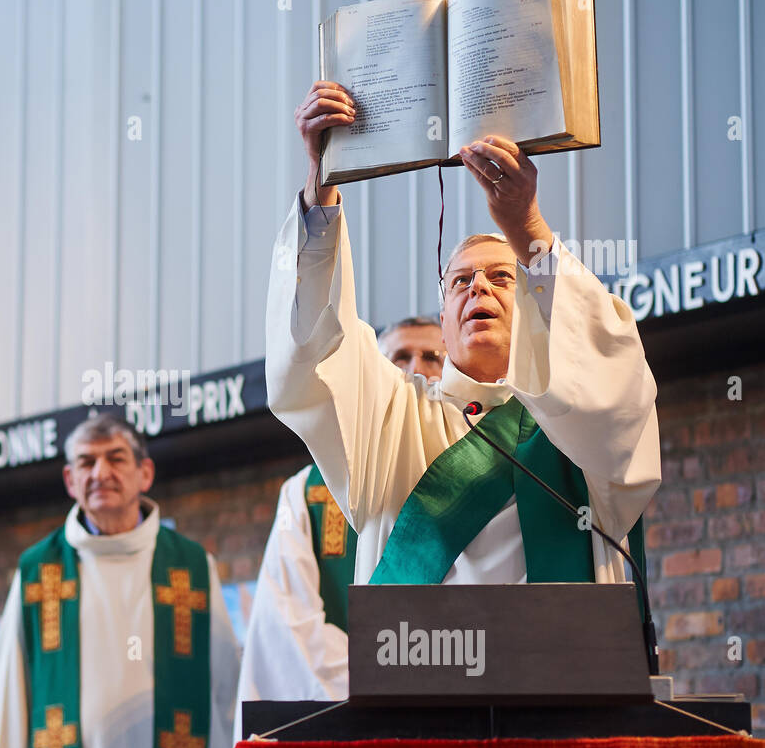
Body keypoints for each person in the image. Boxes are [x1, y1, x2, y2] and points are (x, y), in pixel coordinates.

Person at [266, 80, 659, 600]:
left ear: (537, 308)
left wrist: (527, 226)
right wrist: (322, 184)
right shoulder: (392, 418)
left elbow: (618, 393)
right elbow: (313, 354)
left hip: (561, 673)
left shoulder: (574, 422)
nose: (478, 287)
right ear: (444, 322)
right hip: (418, 670)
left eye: (501, 278)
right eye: (459, 281)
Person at [0, 414, 240, 748]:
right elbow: (7, 700)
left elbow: (225, 690)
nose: (100, 473)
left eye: (115, 459)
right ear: (70, 481)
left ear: (145, 473)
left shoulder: (192, 567)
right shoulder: (39, 572)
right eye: (86, 463)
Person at [237, 317, 446, 725]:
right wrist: (375, 690)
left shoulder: (482, 467)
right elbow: (288, 619)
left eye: (433, 356)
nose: (414, 368)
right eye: (398, 357)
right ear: (373, 376)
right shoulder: (305, 493)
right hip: (349, 712)